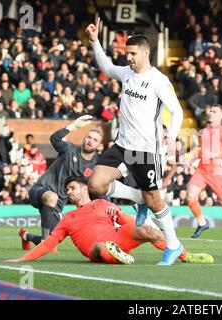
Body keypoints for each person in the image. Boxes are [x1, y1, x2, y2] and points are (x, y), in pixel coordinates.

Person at [86, 18, 184, 265]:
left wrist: (171, 134)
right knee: (95, 185)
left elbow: (177, 111)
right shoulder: (126, 73)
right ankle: (138, 197)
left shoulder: (159, 81)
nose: (127, 57)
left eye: (132, 53)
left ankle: (173, 244)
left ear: (145, 52)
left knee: (155, 200)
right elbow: (108, 68)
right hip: (122, 145)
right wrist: (95, 42)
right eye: (126, 53)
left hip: (145, 151)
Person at [7, 176, 214, 264]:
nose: (69, 192)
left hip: (117, 237)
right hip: (97, 248)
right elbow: (50, 243)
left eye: (72, 188)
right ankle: (117, 255)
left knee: (149, 231)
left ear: (84, 188)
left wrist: (141, 229)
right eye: (67, 190)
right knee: (99, 248)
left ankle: (185, 255)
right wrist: (24, 259)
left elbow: (126, 219)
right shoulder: (67, 217)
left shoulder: (103, 204)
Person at [20, 115, 145, 250]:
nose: (91, 141)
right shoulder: (70, 150)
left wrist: (109, 208)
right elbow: (54, 139)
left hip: (58, 204)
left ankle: (26, 236)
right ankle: (45, 241)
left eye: (95, 140)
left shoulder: (96, 166)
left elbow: (99, 192)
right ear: (84, 138)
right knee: (51, 199)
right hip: (41, 190)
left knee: (56, 237)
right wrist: (73, 126)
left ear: (99, 146)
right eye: (89, 137)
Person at [186, 104, 222, 241]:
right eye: (210, 110)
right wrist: (195, 156)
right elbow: (203, 150)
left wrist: (213, 154)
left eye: (214, 111)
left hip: (216, 171)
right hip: (202, 169)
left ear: (221, 115)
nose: (210, 112)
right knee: (190, 196)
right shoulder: (204, 131)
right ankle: (202, 223)